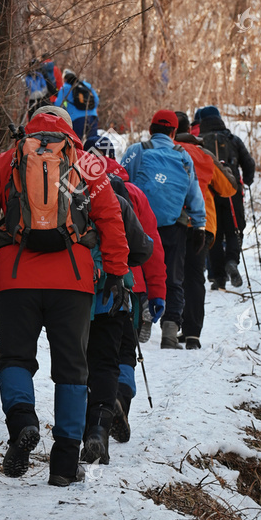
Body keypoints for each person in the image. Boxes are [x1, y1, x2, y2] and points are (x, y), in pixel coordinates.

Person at [0, 105, 129, 487]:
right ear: (70, 132)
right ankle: (65, 464)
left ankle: (23, 423)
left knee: (15, 357)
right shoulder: (89, 164)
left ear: (31, 127)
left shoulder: (8, 160)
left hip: (16, 278)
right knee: (72, 370)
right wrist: (116, 272)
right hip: (73, 282)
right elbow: (111, 220)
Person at [83, 135, 166, 447]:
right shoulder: (133, 193)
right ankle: (119, 401)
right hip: (129, 285)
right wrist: (157, 293)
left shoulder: (74, 185)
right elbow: (151, 247)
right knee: (124, 352)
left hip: (84, 285)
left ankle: (93, 414)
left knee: (90, 353)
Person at [120, 110, 206, 350]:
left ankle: (142, 314)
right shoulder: (183, 156)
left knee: (140, 271)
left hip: (139, 225)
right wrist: (199, 224)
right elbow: (193, 192)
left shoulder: (137, 150)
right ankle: (169, 331)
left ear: (151, 129)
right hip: (173, 226)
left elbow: (120, 181)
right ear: (174, 132)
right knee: (174, 277)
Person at [174, 112, 236, 349]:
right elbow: (228, 188)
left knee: (172, 274)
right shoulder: (203, 154)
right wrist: (224, 168)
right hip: (202, 223)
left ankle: (172, 324)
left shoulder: (159, 151)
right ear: (190, 128)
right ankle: (192, 333)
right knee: (194, 277)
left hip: (171, 221)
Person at [193, 106, 255, 290]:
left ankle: (219, 278)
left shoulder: (200, 143)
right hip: (232, 191)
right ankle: (232, 262)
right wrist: (248, 180)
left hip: (209, 194)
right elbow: (249, 163)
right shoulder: (233, 139)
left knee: (215, 235)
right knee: (235, 229)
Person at [55, 69, 99, 141]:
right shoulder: (86, 85)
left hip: (76, 119)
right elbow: (96, 100)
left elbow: (58, 104)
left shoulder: (65, 88)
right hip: (92, 117)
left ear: (65, 79)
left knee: (76, 143)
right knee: (93, 143)